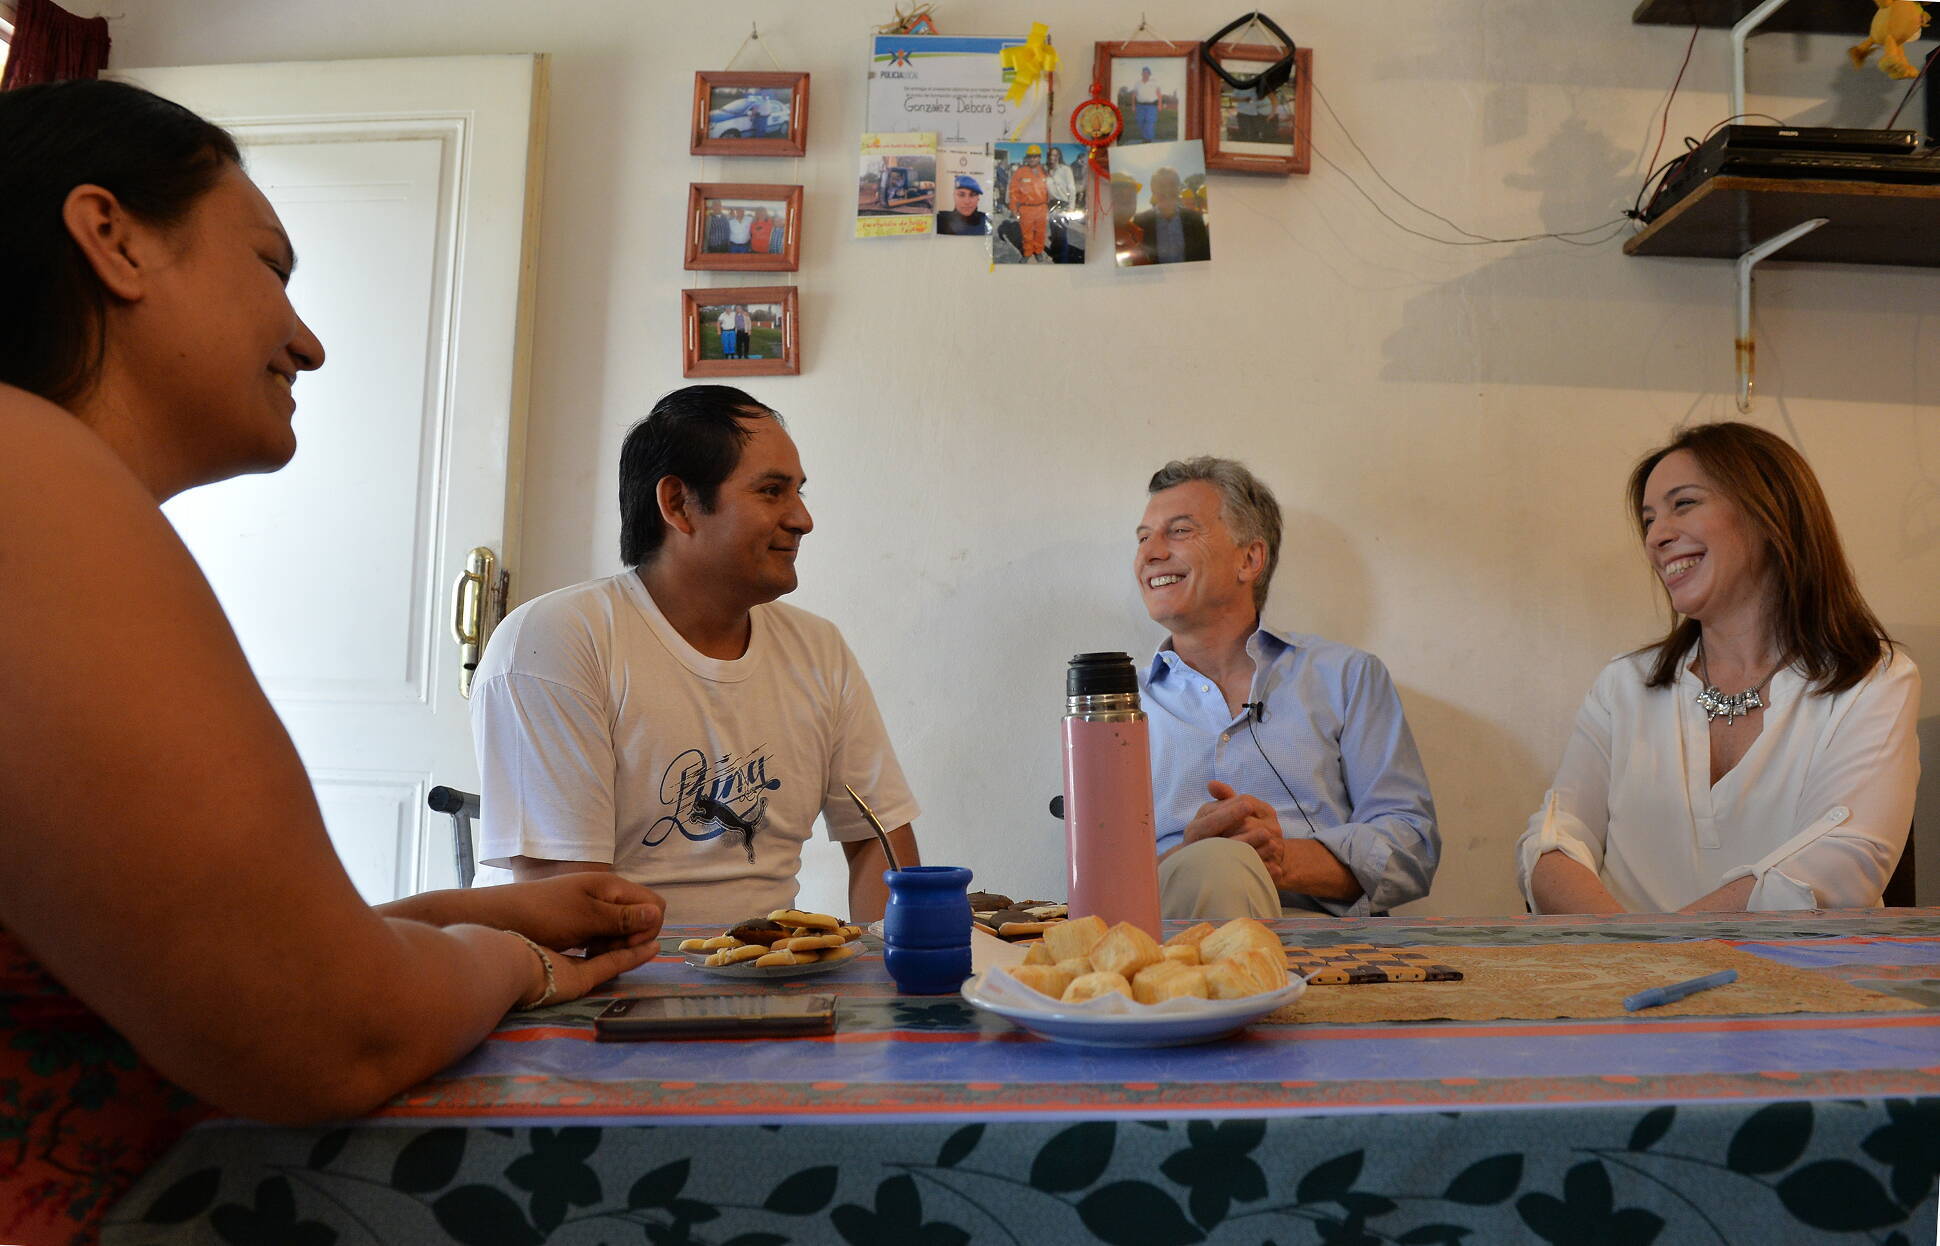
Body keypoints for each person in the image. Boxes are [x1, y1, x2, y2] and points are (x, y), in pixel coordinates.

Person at [0, 79, 668, 1243]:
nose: (307, 338)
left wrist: (483, 915)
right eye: (270, 264)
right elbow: (324, 1029)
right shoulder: (24, 470)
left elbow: (194, 975)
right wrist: (514, 966)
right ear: (111, 237)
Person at [470, 385, 922, 926]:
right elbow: (569, 913)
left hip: (769, 981)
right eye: (772, 491)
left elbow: (881, 844)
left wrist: (890, 973)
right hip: (602, 988)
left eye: (799, 492)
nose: (803, 519)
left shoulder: (818, 649)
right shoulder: (555, 641)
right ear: (678, 504)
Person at [1519, 423, 1919, 914]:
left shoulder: (1874, 679)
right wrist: (1637, 960)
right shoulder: (1623, 685)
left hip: (1799, 987)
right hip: (1628, 983)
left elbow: (1843, 863)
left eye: (1683, 504)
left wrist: (1662, 954)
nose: (1656, 537)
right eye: (1648, 520)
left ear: (1770, 513)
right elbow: (1554, 841)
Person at [1134, 458, 1440, 919]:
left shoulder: (1347, 677)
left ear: (1249, 559)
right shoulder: (1116, 711)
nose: (1150, 553)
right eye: (1142, 538)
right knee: (1214, 865)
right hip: (1168, 946)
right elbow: (1096, 876)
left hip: (1316, 947)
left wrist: (1281, 858)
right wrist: (1194, 861)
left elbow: (1412, 847)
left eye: (1178, 531)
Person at [1128, 166, 1211, 265]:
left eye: (1172, 184)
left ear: (1178, 188)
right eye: (1161, 186)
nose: (1167, 190)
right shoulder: (1140, 221)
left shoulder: (1195, 219)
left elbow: (1204, 256)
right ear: (1153, 190)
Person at [1007, 144, 1051, 264]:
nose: (1033, 159)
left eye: (1035, 156)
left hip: (1042, 207)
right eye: (1030, 156)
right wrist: (1013, 208)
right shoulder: (1020, 172)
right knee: (1027, 234)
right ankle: (1027, 253)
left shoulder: (1045, 171)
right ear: (1026, 158)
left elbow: (1053, 187)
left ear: (1039, 158)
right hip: (1026, 209)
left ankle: (1038, 251)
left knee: (1040, 232)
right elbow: (1013, 191)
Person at [1133, 66, 1163, 143]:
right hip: (1140, 106)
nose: (1145, 74)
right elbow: (1134, 95)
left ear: (1149, 74)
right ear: (1141, 74)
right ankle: (1144, 137)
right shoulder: (1137, 83)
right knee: (1140, 121)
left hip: (1151, 106)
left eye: (1147, 73)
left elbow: (1159, 94)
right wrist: (1133, 105)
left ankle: (1148, 140)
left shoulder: (1154, 82)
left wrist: (1160, 104)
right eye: (1144, 73)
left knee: (1150, 122)